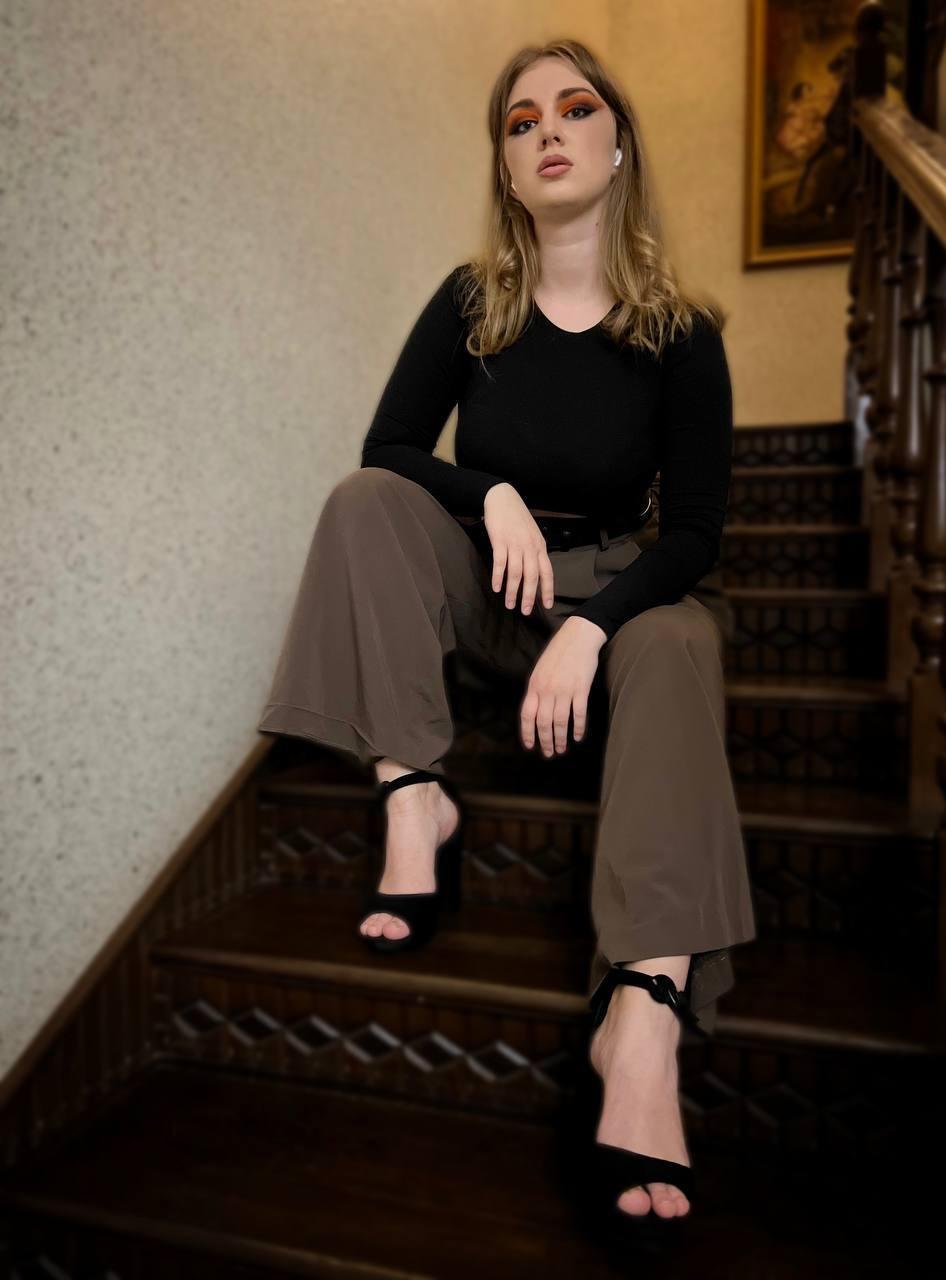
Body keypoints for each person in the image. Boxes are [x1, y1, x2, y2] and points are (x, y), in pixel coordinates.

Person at [257, 39, 756, 1223]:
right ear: (506, 166)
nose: (548, 131)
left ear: (618, 145)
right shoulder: (469, 303)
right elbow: (388, 447)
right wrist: (486, 492)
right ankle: (412, 793)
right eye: (521, 121)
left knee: (680, 640)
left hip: (626, 592)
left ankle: (642, 1014)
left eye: (575, 108)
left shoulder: (683, 331)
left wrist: (596, 629)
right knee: (366, 500)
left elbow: (694, 532)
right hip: (502, 590)